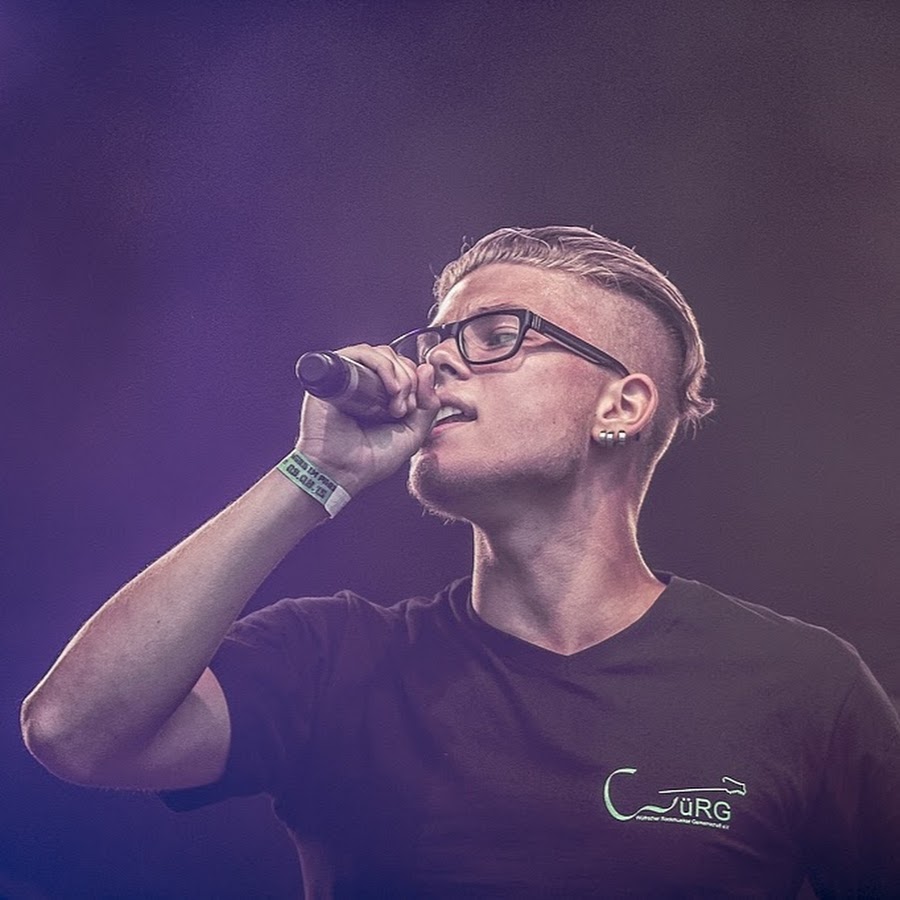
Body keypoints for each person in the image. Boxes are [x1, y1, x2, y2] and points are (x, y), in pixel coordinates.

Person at [21, 226, 900, 898]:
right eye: (437, 338)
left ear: (622, 405)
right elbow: (73, 731)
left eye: (496, 334)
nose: (438, 360)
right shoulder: (337, 660)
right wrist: (315, 475)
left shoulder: (798, 687)